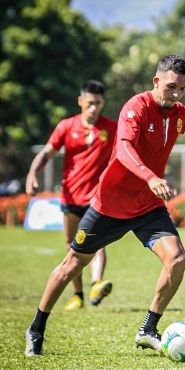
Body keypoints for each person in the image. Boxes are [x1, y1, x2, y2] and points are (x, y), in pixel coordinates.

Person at [24, 55, 185, 357]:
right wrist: (150, 177)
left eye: (182, 89)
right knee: (71, 265)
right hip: (110, 206)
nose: (176, 94)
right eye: (171, 87)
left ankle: (148, 328)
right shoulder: (136, 107)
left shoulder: (178, 112)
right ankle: (36, 328)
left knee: (177, 260)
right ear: (156, 81)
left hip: (147, 207)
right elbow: (123, 148)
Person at [25, 80, 116, 310]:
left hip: (97, 198)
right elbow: (47, 153)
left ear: (102, 103)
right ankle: (78, 295)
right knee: (71, 244)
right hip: (70, 197)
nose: (94, 108)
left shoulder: (112, 128)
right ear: (80, 101)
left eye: (98, 103)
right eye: (90, 103)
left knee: (98, 243)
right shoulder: (66, 126)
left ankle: (96, 283)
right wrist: (32, 174)